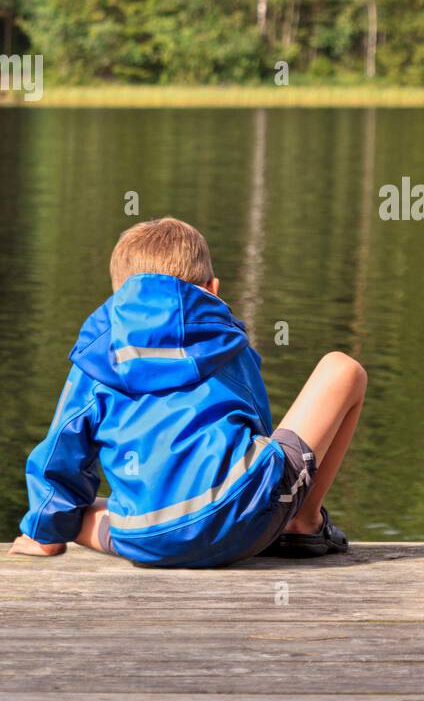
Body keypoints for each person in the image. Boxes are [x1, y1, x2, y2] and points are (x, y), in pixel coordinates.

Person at [11, 217, 366, 567]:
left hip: (146, 537)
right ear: (212, 288)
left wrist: (46, 530)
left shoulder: (95, 356)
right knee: (342, 369)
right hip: (240, 520)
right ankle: (302, 522)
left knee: (74, 514)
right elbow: (258, 427)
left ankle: (49, 537)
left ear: (120, 295)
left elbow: (61, 451)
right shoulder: (227, 341)